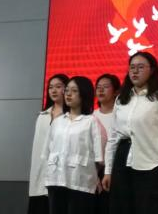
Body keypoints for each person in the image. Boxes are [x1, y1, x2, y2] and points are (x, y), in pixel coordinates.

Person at [101, 51, 158, 214]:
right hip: (122, 158)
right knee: (121, 207)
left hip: (150, 162)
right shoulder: (122, 98)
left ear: (152, 71)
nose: (135, 71)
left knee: (148, 207)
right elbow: (114, 137)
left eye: (141, 67)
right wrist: (108, 170)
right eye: (132, 67)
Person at [45, 76, 106, 214]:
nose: (68, 94)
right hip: (56, 181)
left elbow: (100, 158)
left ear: (84, 94)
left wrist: (92, 175)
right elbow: (48, 151)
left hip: (80, 183)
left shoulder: (91, 122)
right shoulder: (57, 122)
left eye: (74, 91)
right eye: (66, 90)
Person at [28, 73, 69, 214]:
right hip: (39, 172)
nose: (54, 90)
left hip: (61, 175)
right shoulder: (42, 116)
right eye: (51, 87)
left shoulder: (71, 116)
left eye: (58, 86)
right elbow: (37, 148)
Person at [93, 74, 120, 214]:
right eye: (98, 87)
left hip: (117, 170)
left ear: (116, 92)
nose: (100, 90)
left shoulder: (121, 115)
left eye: (105, 87)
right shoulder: (91, 116)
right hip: (95, 171)